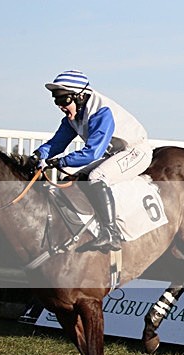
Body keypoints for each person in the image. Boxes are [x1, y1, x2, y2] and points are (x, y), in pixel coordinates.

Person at [32, 70, 153, 252]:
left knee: (98, 176)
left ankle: (111, 233)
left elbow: (93, 152)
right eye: (56, 100)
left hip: (136, 151)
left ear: (80, 96)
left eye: (64, 100)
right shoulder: (73, 116)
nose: (60, 106)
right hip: (115, 153)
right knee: (76, 176)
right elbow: (57, 143)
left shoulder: (101, 112)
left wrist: (61, 162)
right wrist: (38, 155)